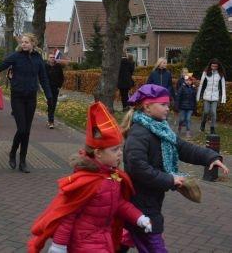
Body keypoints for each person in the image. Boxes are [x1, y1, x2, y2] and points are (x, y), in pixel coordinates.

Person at [28, 102, 152, 253]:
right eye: (114, 149)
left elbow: (118, 203)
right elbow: (67, 215)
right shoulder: (86, 182)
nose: (120, 153)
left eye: (120, 148)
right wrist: (59, 246)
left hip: (104, 239)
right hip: (84, 242)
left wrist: (138, 217)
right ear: (98, 153)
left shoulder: (112, 177)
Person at [121, 84, 229, 252]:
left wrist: (211, 157)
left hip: (150, 199)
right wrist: (170, 179)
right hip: (140, 202)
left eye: (168, 104)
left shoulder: (162, 130)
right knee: (154, 244)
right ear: (147, 107)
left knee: (122, 241)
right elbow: (138, 168)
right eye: (163, 104)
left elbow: (184, 148)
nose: (167, 108)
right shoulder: (139, 133)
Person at [0, 33, 52, 173]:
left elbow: (44, 78)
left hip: (31, 98)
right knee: (22, 129)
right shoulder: (16, 56)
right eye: (22, 42)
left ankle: (22, 161)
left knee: (27, 131)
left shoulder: (38, 59)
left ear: (33, 44)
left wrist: (49, 96)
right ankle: (12, 152)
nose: (24, 44)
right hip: (17, 97)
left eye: (27, 42)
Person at [196, 58, 227, 134]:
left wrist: (223, 98)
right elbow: (201, 84)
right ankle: (202, 125)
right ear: (210, 65)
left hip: (215, 97)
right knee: (206, 112)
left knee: (213, 112)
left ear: (218, 66)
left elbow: (223, 86)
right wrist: (199, 95)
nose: (214, 68)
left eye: (215, 66)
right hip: (207, 96)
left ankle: (212, 128)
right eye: (212, 66)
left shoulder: (220, 74)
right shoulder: (205, 73)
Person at [45, 53, 64, 129]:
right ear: (48, 58)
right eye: (51, 57)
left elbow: (61, 77)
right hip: (48, 88)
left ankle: (50, 116)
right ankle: (51, 121)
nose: (52, 58)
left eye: (53, 57)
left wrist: (59, 86)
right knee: (50, 103)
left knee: (53, 103)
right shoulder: (45, 66)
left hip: (55, 88)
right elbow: (42, 77)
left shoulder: (58, 66)